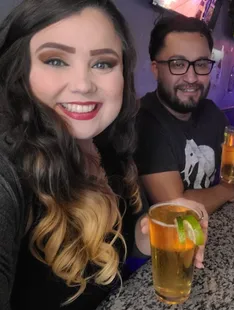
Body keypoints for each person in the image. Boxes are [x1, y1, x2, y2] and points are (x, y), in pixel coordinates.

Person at [0, 1, 152, 309]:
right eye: (55, 60)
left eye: (102, 63)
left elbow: (119, 253)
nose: (83, 85)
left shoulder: (106, 145)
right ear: (19, 71)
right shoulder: (9, 171)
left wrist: (152, 232)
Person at [135, 15, 234, 215]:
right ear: (156, 70)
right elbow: (176, 209)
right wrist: (227, 190)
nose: (192, 77)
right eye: (178, 64)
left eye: (201, 64)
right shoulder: (144, 121)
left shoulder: (211, 112)